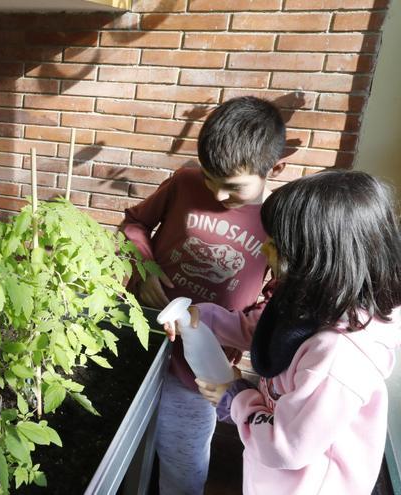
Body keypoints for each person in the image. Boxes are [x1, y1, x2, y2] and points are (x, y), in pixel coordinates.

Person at [166, 170, 401, 495]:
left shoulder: (340, 357)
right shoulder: (313, 299)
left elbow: (286, 446)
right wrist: (201, 317)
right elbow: (259, 329)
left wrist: (235, 398)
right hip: (269, 477)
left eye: (276, 244)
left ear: (319, 257)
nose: (264, 250)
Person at [119, 96, 287, 494]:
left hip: (201, 371)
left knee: (183, 459)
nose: (217, 195)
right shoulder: (184, 182)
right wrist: (146, 268)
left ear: (275, 168)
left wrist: (230, 328)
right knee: (120, 436)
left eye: (232, 188)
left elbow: (273, 306)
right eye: (210, 180)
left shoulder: (280, 225)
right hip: (140, 334)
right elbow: (135, 224)